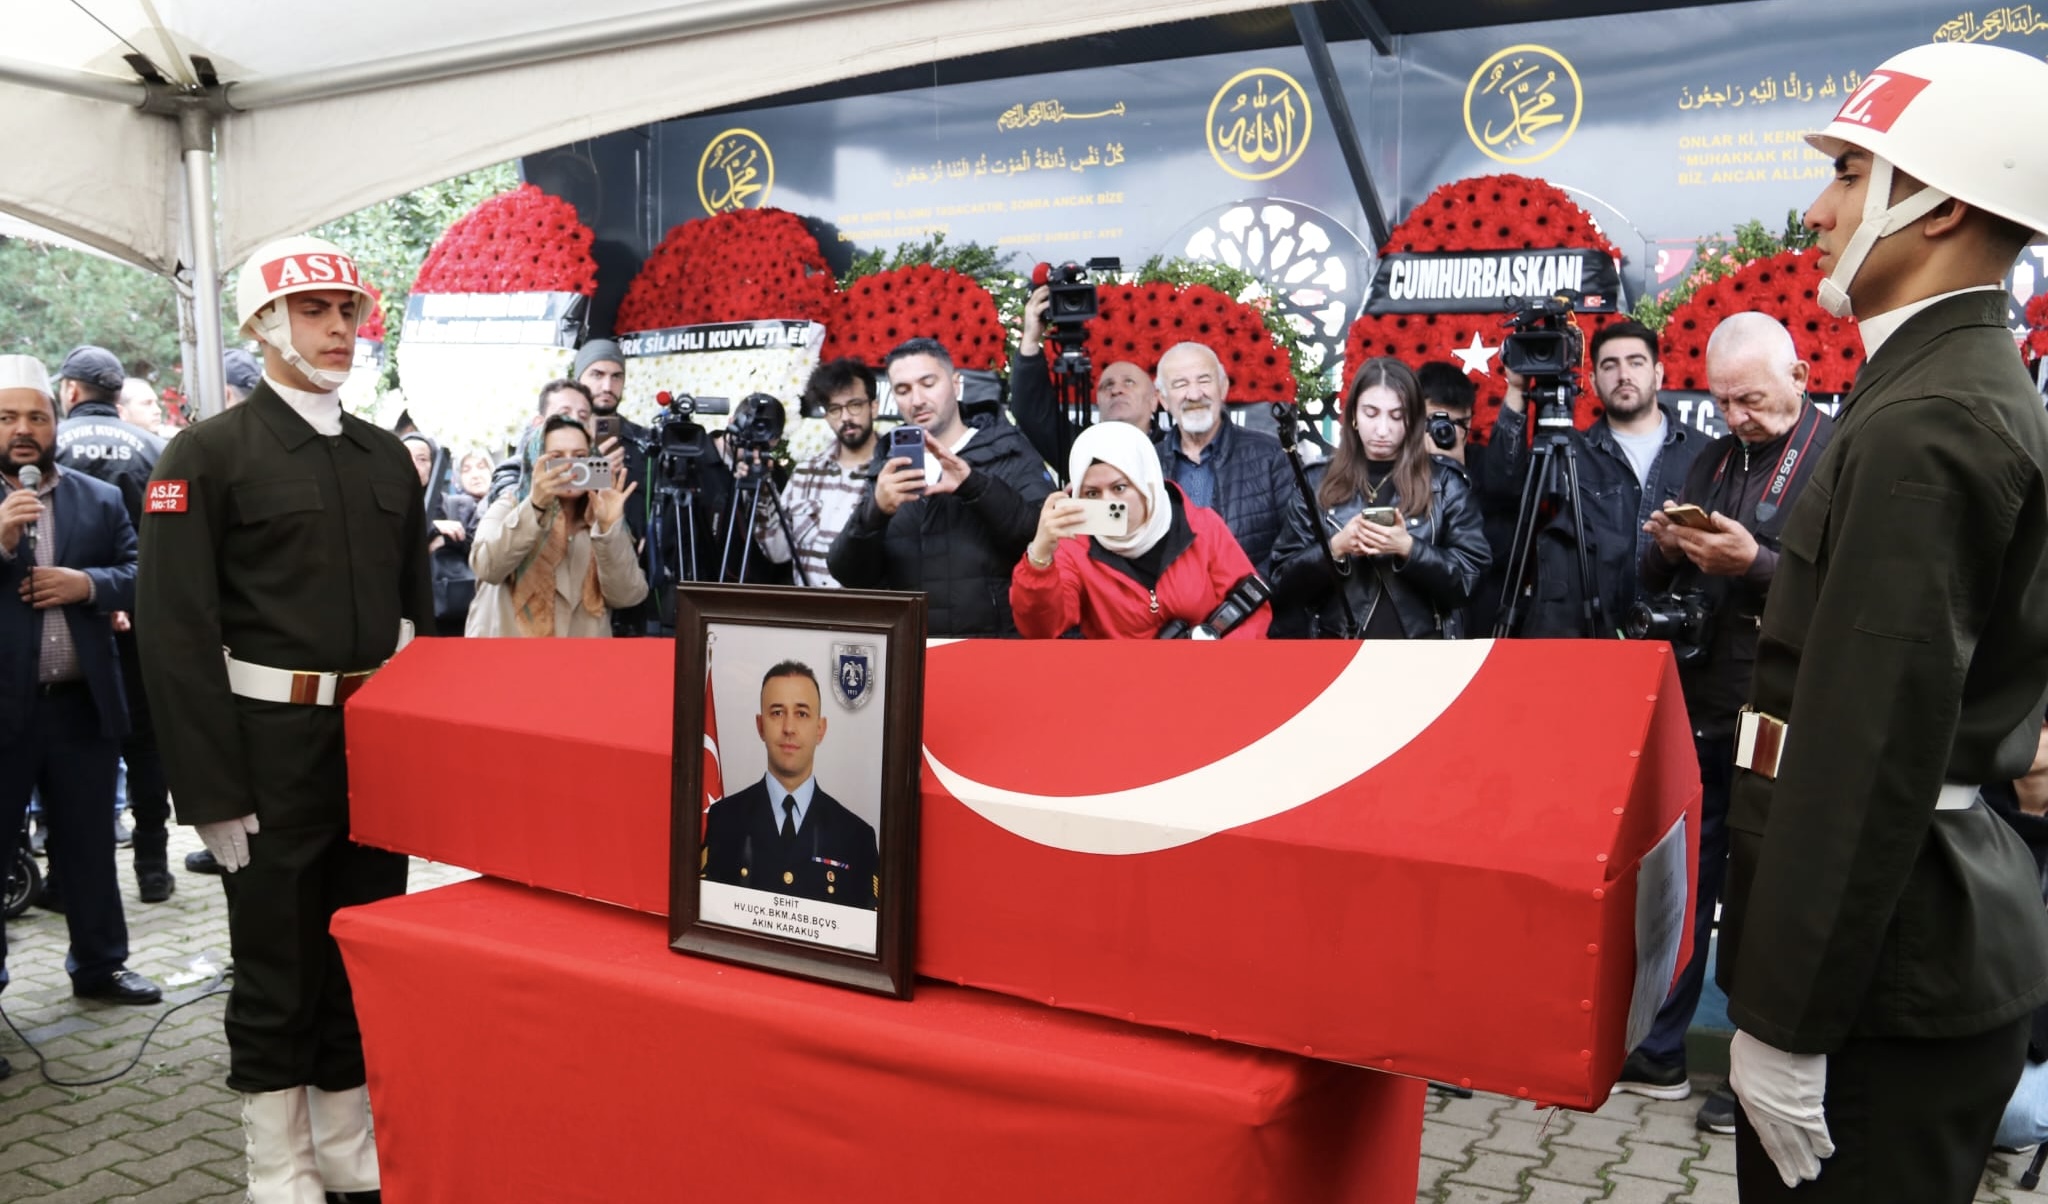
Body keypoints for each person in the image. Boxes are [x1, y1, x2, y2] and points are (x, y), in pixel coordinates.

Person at [1714, 44, 2048, 1202]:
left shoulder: (1931, 418)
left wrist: (1785, 1021)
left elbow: (1862, 749)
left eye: (1851, 172)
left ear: (1939, 201)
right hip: (1891, 943)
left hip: (1878, 977)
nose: (1816, 208)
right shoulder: (1927, 389)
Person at [136, 234, 433, 1204]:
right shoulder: (205, 455)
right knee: (277, 963)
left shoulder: (386, 455)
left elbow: (417, 627)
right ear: (264, 324)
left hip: (372, 746)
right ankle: (277, 1162)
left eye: (348, 310)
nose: (340, 328)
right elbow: (176, 639)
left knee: (361, 945)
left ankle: (347, 1146)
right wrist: (209, 791)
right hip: (265, 750)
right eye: (314, 310)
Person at [1607, 313, 1833, 1136]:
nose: (1738, 415)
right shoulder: (1706, 453)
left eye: (1754, 399)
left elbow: (1851, 588)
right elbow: (1641, 570)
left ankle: (1752, 1075)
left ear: (1801, 376)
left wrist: (1758, 566)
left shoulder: (1838, 454)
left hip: (1785, 711)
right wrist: (1668, 547)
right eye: (1724, 399)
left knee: (1763, 898)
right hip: (1702, 702)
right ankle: (1662, 1052)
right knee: (1684, 881)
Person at [0, 354, 161, 1083]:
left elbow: (142, 573)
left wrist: (86, 584)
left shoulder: (98, 498)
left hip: (81, 708)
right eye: (8, 419)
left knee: (91, 846)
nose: (23, 431)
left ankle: (100, 965)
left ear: (57, 422)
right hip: (3, 715)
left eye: (36, 416)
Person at [1483, 320, 1704, 638]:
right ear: (1593, 381)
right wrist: (1517, 389)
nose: (1624, 375)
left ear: (1657, 374)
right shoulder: (1568, 450)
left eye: (1636, 362)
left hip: (1673, 632)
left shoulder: (1701, 453)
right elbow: (1502, 487)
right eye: (1610, 366)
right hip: (1592, 634)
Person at [54, 345, 175, 902]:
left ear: (71, 392)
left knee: (71, 748)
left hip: (66, 626)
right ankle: (153, 866)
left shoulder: (49, 453)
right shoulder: (155, 450)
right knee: (146, 744)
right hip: (145, 620)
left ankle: (66, 873)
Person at [827, 338, 1052, 636]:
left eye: (928, 383)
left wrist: (975, 487)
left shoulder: (1009, 448)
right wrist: (874, 512)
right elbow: (850, 574)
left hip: (992, 650)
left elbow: (1043, 540)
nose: (916, 399)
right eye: (903, 390)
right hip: (911, 653)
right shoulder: (889, 463)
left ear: (956, 384)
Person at [1270, 358, 1490, 639]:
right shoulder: (1316, 482)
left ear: (1412, 420)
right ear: (1353, 416)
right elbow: (1281, 585)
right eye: (1371, 414)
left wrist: (1410, 549)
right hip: (1338, 652)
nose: (1383, 430)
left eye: (1396, 416)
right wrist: (1336, 548)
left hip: (1425, 653)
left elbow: (1472, 579)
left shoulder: (1446, 483)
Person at [1012, 420, 1267, 640]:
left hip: (1208, 679)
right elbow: (1040, 628)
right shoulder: (1075, 545)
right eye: (1092, 493)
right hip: (1121, 686)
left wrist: (1214, 666)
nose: (1107, 502)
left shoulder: (1202, 526)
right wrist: (1040, 555)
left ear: (1146, 483)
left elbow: (1252, 611)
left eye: (1120, 488)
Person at [701, 660, 878, 909]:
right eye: (777, 713)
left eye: (802, 713)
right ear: (760, 726)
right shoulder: (724, 818)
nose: (789, 728)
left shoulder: (857, 836)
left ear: (820, 729)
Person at [467, 414, 646, 637]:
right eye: (556, 458)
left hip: (579, 663)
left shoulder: (599, 515)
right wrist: (535, 506)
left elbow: (627, 595)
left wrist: (610, 528)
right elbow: (487, 568)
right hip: (510, 659)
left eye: (581, 456)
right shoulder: (508, 507)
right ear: (536, 461)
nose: (570, 468)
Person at [1154, 342, 1295, 579]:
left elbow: (1296, 544)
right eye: (1180, 384)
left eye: (1204, 380)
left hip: (1259, 606)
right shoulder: (1146, 464)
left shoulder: (1272, 456)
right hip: (1171, 611)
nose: (1195, 394)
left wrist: (1242, 598)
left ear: (1223, 387)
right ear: (1164, 400)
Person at [1006, 282, 1162, 471]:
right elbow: (1032, 411)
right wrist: (1031, 338)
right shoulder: (1082, 449)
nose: (1117, 390)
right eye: (1107, 385)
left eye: (1129, 382)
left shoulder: (1177, 449)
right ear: (1098, 401)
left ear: (1155, 399)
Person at [753, 358, 878, 588]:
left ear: (874, 407)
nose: (846, 417)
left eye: (855, 405)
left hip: (867, 617)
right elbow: (778, 552)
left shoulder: (891, 473)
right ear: (826, 415)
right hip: (807, 616)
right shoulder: (805, 473)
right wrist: (760, 492)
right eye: (835, 409)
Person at [1985, 706, 2048, 1153]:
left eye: (2045, 723)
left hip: (2038, 1027)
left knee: (2014, 1117)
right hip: (1983, 1005)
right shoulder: (1971, 810)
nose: (2032, 731)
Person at [401, 432, 479, 638]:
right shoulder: (388, 509)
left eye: (422, 459)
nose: (414, 465)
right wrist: (432, 529)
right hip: (407, 612)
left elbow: (483, 553)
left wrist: (450, 540)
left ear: (433, 464)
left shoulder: (461, 506)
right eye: (407, 457)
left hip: (455, 612)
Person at [486, 379, 594, 507]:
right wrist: (534, 500)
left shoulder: (595, 470)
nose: (575, 421)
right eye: (564, 414)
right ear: (539, 424)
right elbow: (504, 513)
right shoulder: (513, 471)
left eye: (583, 416)